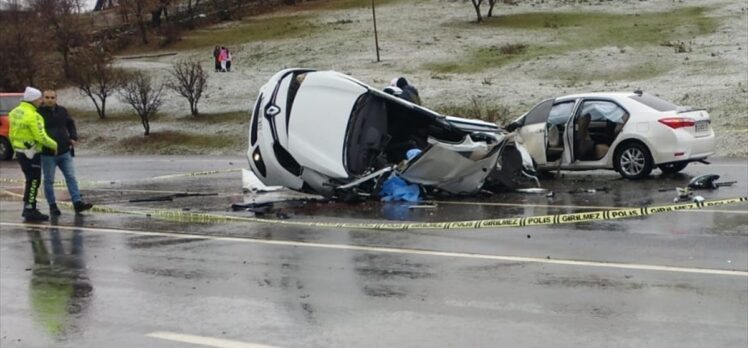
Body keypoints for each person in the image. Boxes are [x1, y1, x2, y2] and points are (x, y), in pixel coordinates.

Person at [38, 90, 93, 216]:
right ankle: (52, 205)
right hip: (47, 153)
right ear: (43, 98)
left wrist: (73, 137)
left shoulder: (62, 110)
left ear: (56, 98)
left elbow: (70, 123)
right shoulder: (38, 113)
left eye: (52, 97)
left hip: (64, 151)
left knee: (71, 177)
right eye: (47, 97)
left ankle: (77, 203)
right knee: (49, 180)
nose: (50, 100)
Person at [8, 87, 58, 222]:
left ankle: (29, 207)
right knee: (34, 181)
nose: (41, 101)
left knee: (30, 180)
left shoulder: (14, 112)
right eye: (39, 98)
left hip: (19, 151)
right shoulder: (34, 116)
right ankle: (30, 209)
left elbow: (11, 133)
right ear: (34, 99)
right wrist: (54, 145)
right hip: (31, 152)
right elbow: (41, 136)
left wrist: (14, 148)